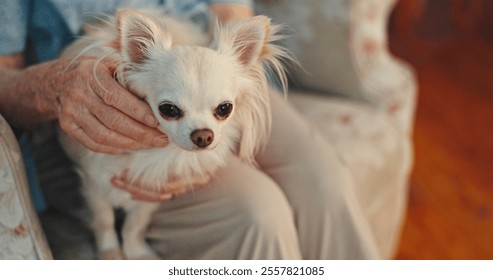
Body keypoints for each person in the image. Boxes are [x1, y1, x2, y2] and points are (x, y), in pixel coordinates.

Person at [0, 0, 379, 259]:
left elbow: (233, 13)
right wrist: (55, 87)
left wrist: (226, 72)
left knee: (326, 181)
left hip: (216, 70)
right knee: (259, 213)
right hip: (114, 86)